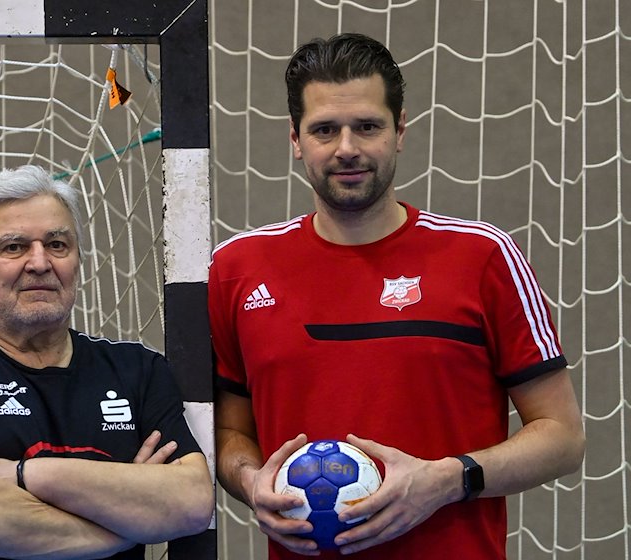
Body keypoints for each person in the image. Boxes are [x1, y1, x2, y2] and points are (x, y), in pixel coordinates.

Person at [210, 33, 585, 559]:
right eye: (324, 130)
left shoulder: (484, 256)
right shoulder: (236, 269)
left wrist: (447, 480)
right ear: (295, 139)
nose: (347, 148)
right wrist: (251, 483)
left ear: (400, 130)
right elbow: (230, 430)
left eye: (367, 126)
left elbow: (563, 438)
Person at [0, 165, 214, 559]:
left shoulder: (138, 370)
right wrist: (122, 524)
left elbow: (190, 504)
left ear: (77, 261)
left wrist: (22, 473)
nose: (39, 263)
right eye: (14, 247)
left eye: (57, 245)